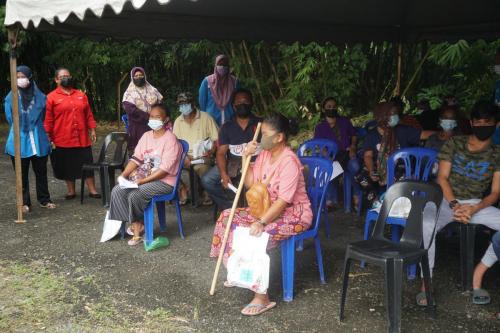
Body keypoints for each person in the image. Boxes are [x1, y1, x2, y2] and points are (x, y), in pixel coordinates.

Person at [210, 114, 311, 316]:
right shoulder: (264, 154)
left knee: (256, 235)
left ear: (279, 137)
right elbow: (250, 185)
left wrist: (261, 222)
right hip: (265, 209)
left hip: (293, 214)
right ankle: (236, 268)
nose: (259, 137)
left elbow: (283, 203)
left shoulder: (289, 161)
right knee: (227, 217)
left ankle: (261, 297)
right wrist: (245, 157)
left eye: (264, 133)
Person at [416, 101, 500, 306]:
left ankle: (479, 273)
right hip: (447, 200)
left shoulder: (498, 153)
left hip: (476, 204)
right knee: (426, 224)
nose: (482, 126)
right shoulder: (455, 143)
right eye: (478, 122)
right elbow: (442, 178)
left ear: (496, 125)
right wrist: (455, 205)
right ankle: (426, 284)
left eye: (487, 122)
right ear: (471, 123)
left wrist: (474, 208)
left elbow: (496, 192)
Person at [108, 103, 182, 246]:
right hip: (145, 179)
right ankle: (130, 225)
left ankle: (138, 229)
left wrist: (141, 182)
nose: (153, 119)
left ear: (166, 119)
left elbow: (164, 170)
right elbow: (136, 158)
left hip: (165, 182)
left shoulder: (170, 139)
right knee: (117, 190)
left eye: (158, 117)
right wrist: (124, 175)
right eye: (151, 116)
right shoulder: (146, 136)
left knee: (135, 194)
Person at [357, 102, 433, 204]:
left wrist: (442, 134)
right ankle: (377, 203)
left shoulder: (402, 130)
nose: (396, 116)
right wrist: (371, 170)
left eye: (396, 113)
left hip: (401, 166)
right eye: (393, 114)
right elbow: (368, 155)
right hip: (380, 166)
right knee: (361, 176)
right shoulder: (372, 135)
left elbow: (424, 134)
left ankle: (395, 204)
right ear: (383, 116)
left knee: (403, 176)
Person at [4, 65, 55, 212]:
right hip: (19, 141)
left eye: (23, 76)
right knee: (21, 174)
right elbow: (10, 118)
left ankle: (44, 200)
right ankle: (25, 203)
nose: (21, 79)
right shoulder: (11, 98)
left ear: (30, 77)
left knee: (41, 172)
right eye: (18, 77)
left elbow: (44, 115)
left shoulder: (40, 97)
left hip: (38, 140)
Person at [44, 68, 100, 200]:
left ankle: (92, 190)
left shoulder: (81, 95)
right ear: (56, 80)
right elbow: (48, 119)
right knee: (67, 164)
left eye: (68, 76)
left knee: (87, 162)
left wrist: (92, 129)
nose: (66, 78)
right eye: (63, 76)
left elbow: (88, 114)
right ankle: (71, 191)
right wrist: (47, 135)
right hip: (63, 137)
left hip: (82, 138)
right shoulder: (51, 97)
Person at [201, 88, 261, 211]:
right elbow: (221, 153)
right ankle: (230, 208)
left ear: (251, 104)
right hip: (233, 163)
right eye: (238, 103)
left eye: (245, 102)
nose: (242, 105)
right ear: (233, 106)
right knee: (208, 180)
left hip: (257, 163)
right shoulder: (227, 127)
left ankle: (251, 208)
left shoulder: (261, 124)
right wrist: (223, 173)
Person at [172, 92, 219, 205]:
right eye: (181, 105)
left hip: (202, 156)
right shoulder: (178, 121)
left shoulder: (206, 118)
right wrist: (184, 156)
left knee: (202, 168)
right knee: (169, 167)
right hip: (185, 156)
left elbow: (216, 139)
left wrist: (211, 150)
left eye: (186, 104)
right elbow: (175, 144)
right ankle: (183, 190)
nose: (183, 107)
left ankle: (207, 193)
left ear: (193, 104)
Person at [314, 97, 359, 208]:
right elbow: (319, 145)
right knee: (327, 170)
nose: (332, 108)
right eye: (329, 107)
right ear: (324, 109)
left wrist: (353, 146)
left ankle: (356, 195)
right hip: (332, 157)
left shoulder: (344, 121)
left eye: (334, 106)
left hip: (347, 154)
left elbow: (354, 135)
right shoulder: (320, 127)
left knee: (355, 166)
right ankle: (331, 201)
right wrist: (328, 157)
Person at [122, 67, 163, 154]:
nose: (139, 77)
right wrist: (148, 117)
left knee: (155, 151)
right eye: (136, 76)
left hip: (154, 123)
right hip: (137, 125)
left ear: (144, 76)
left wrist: (157, 117)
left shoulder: (152, 89)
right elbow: (131, 111)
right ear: (132, 78)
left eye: (141, 75)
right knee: (139, 152)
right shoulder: (129, 93)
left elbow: (160, 104)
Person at [199, 54, 238, 126]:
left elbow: (237, 100)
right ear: (215, 65)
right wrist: (205, 119)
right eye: (220, 64)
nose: (222, 67)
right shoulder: (207, 81)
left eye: (225, 64)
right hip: (211, 121)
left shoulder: (234, 82)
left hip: (230, 119)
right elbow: (202, 103)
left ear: (228, 66)